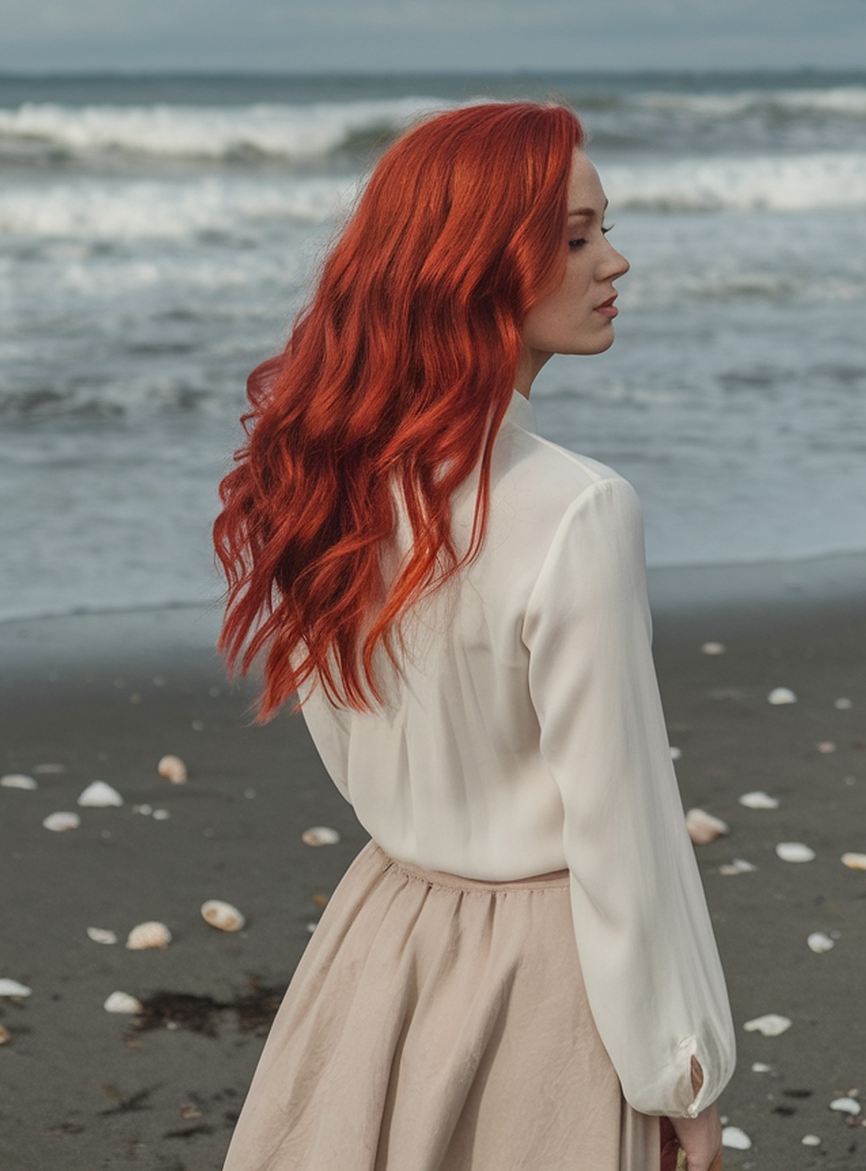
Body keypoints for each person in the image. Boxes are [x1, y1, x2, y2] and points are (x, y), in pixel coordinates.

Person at [215, 100, 735, 1171]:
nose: (615, 262)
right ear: (476, 262)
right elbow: (621, 828)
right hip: (548, 976)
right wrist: (681, 1070)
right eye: (578, 236)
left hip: (382, 940)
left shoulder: (334, 480)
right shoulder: (579, 509)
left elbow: (351, 751)